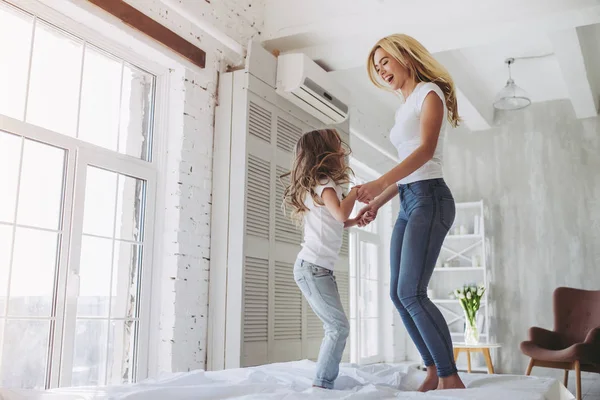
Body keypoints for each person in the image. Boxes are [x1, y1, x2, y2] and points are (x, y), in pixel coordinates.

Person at [355, 33, 466, 391]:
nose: (381, 70)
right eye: (377, 66)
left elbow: (424, 153)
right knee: (397, 294)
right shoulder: (403, 107)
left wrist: (378, 182)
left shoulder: (428, 93)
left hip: (431, 197)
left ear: (404, 57)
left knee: (412, 292)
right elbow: (407, 166)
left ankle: (450, 377)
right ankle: (434, 369)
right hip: (408, 200)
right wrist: (378, 200)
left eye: (385, 60)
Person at [282, 128, 361, 389]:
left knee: (337, 327)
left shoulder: (323, 184)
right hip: (313, 268)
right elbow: (338, 214)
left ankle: (322, 383)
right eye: (337, 144)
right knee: (338, 328)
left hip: (317, 269)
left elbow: (333, 222)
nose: (342, 149)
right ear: (325, 151)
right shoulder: (325, 183)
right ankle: (321, 386)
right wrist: (355, 195)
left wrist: (354, 220)